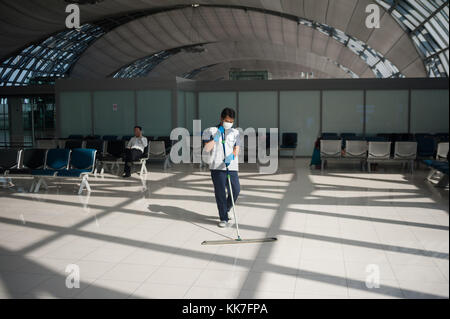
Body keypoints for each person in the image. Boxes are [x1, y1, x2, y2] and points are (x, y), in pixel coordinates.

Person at [203, 108, 241, 228]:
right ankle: (223, 218)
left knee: (236, 190)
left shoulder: (235, 132)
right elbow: (207, 148)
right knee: (220, 193)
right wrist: (216, 137)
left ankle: (226, 209)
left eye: (231, 121)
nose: (228, 123)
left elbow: (237, 149)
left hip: (231, 166)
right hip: (217, 167)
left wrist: (232, 156)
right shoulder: (210, 130)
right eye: (226, 120)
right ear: (221, 118)